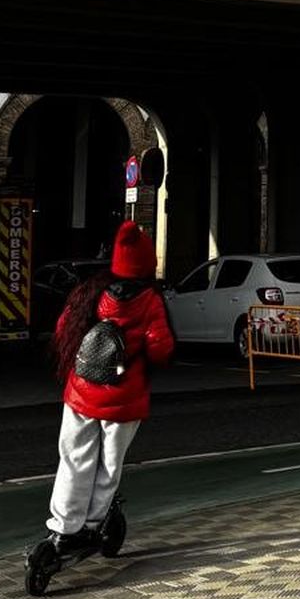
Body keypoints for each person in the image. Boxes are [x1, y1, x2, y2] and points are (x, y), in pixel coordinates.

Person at [41, 220, 174, 550]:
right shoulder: (148, 301)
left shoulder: (89, 291)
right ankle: (92, 525)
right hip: (124, 398)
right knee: (108, 465)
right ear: (146, 264)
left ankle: (63, 527)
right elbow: (161, 349)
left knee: (74, 458)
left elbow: (62, 331)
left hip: (81, 391)